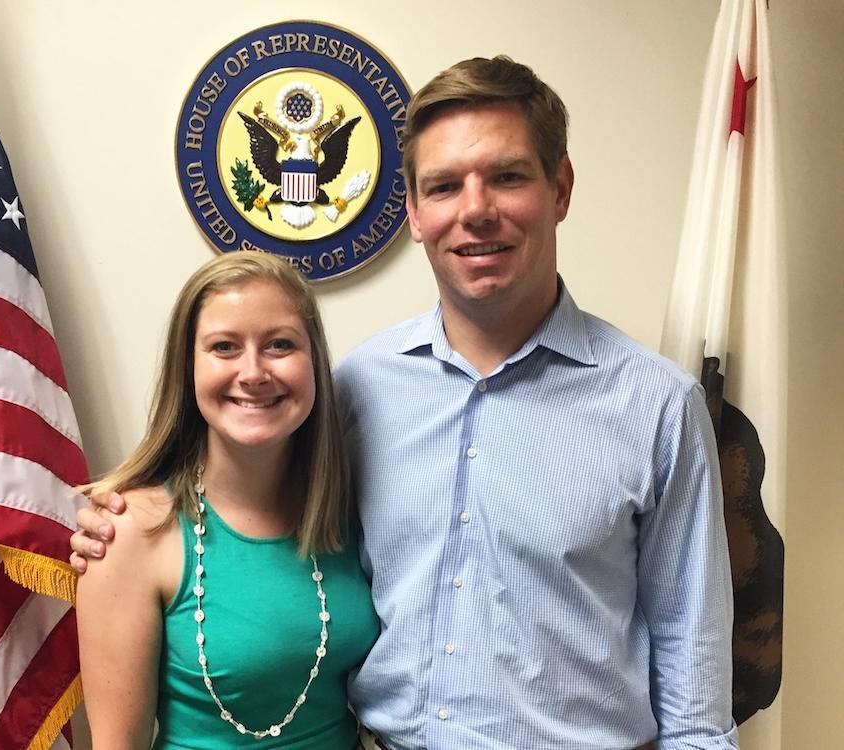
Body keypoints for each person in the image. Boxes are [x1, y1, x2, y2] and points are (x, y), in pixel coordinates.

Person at [73, 57, 738, 749]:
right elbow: (242, 475)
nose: (475, 210)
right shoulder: (357, 390)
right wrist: (120, 522)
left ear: (560, 188)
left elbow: (696, 707)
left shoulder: (659, 407)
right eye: (444, 186)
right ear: (415, 214)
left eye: (507, 176)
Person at [75, 251, 379, 749]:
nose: (253, 371)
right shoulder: (129, 531)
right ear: (188, 367)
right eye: (224, 347)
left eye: (280, 344)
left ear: (314, 365)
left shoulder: (349, 506)